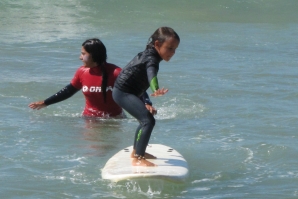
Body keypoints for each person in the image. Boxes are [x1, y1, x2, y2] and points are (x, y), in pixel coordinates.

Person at [112, 27, 180, 166]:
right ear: (157, 44)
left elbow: (138, 80)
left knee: (145, 119)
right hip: (123, 93)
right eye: (170, 48)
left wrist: (146, 101)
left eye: (175, 49)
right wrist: (156, 89)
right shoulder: (152, 59)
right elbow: (151, 74)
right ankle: (138, 157)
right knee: (147, 121)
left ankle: (137, 151)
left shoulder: (149, 54)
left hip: (130, 92)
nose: (173, 53)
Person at [28, 38, 126, 118]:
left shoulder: (116, 73)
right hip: (89, 120)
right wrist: (46, 102)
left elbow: (134, 91)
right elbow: (68, 91)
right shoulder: (82, 72)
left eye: (83, 54)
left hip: (114, 121)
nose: (80, 57)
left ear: (93, 55)